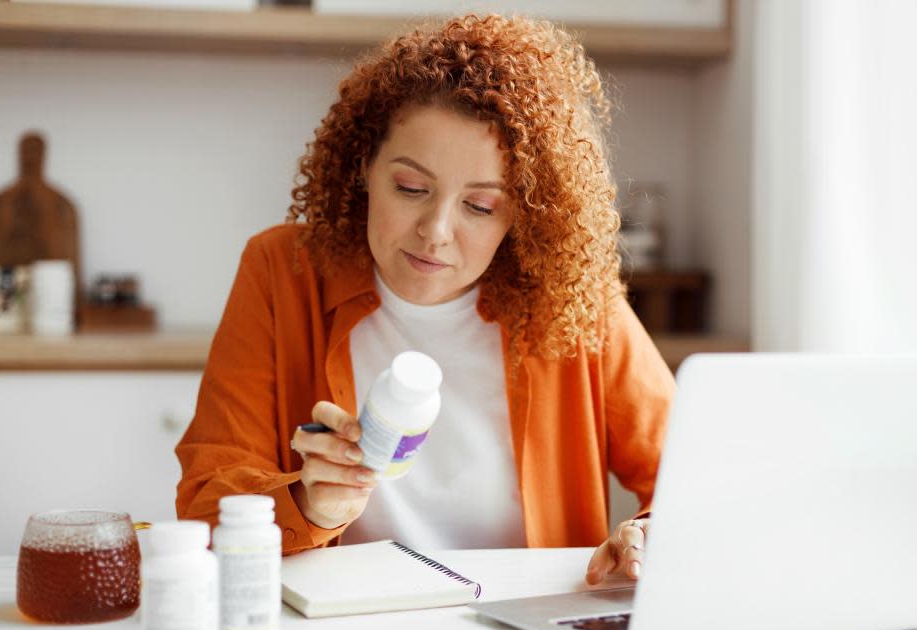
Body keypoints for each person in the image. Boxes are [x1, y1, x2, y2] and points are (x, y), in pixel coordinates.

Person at [175, 14, 675, 586]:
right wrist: (308, 507)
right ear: (365, 166)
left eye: (481, 206)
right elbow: (205, 501)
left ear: (523, 213)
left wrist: (650, 534)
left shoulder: (571, 295)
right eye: (411, 189)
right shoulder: (282, 272)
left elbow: (701, 480)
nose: (436, 231)